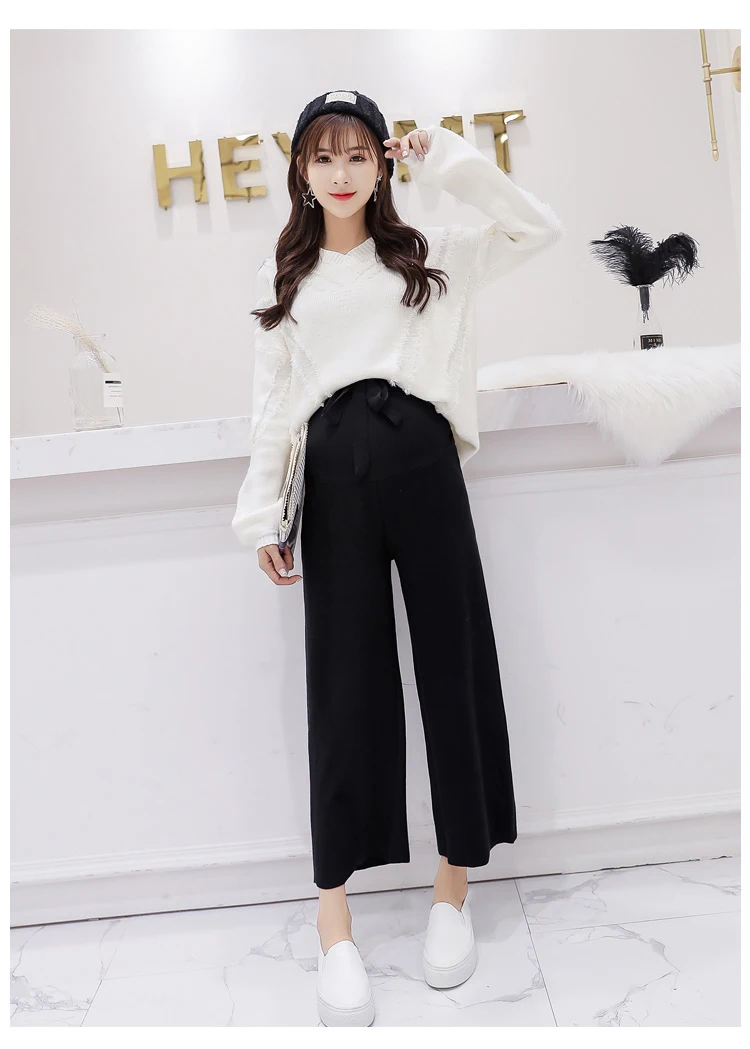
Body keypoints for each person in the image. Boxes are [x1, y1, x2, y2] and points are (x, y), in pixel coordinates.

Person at [231, 89, 564, 1026]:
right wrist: (263, 515)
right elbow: (272, 406)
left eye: (358, 155)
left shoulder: (430, 254)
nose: (340, 173)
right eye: (323, 157)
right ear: (302, 172)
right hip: (333, 476)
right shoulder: (287, 277)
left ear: (382, 164)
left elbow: (537, 228)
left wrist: (447, 155)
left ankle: (453, 888)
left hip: (422, 460)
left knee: (453, 665)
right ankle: (333, 920)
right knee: (344, 687)